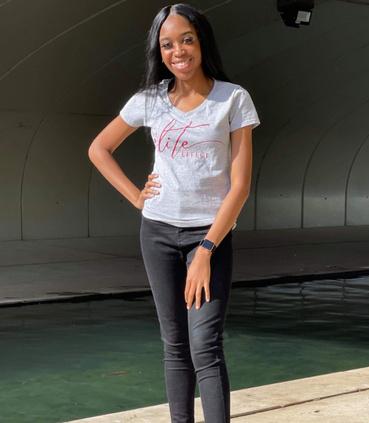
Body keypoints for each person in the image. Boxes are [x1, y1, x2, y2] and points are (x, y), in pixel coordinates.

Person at [87, 3, 260, 422]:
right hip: (158, 233)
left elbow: (239, 187)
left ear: (202, 42)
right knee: (175, 345)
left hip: (210, 237)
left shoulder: (232, 98)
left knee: (206, 345)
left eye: (186, 40)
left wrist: (206, 251)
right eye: (167, 44)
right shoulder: (149, 101)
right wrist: (136, 197)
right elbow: (99, 148)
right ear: (159, 51)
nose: (178, 51)